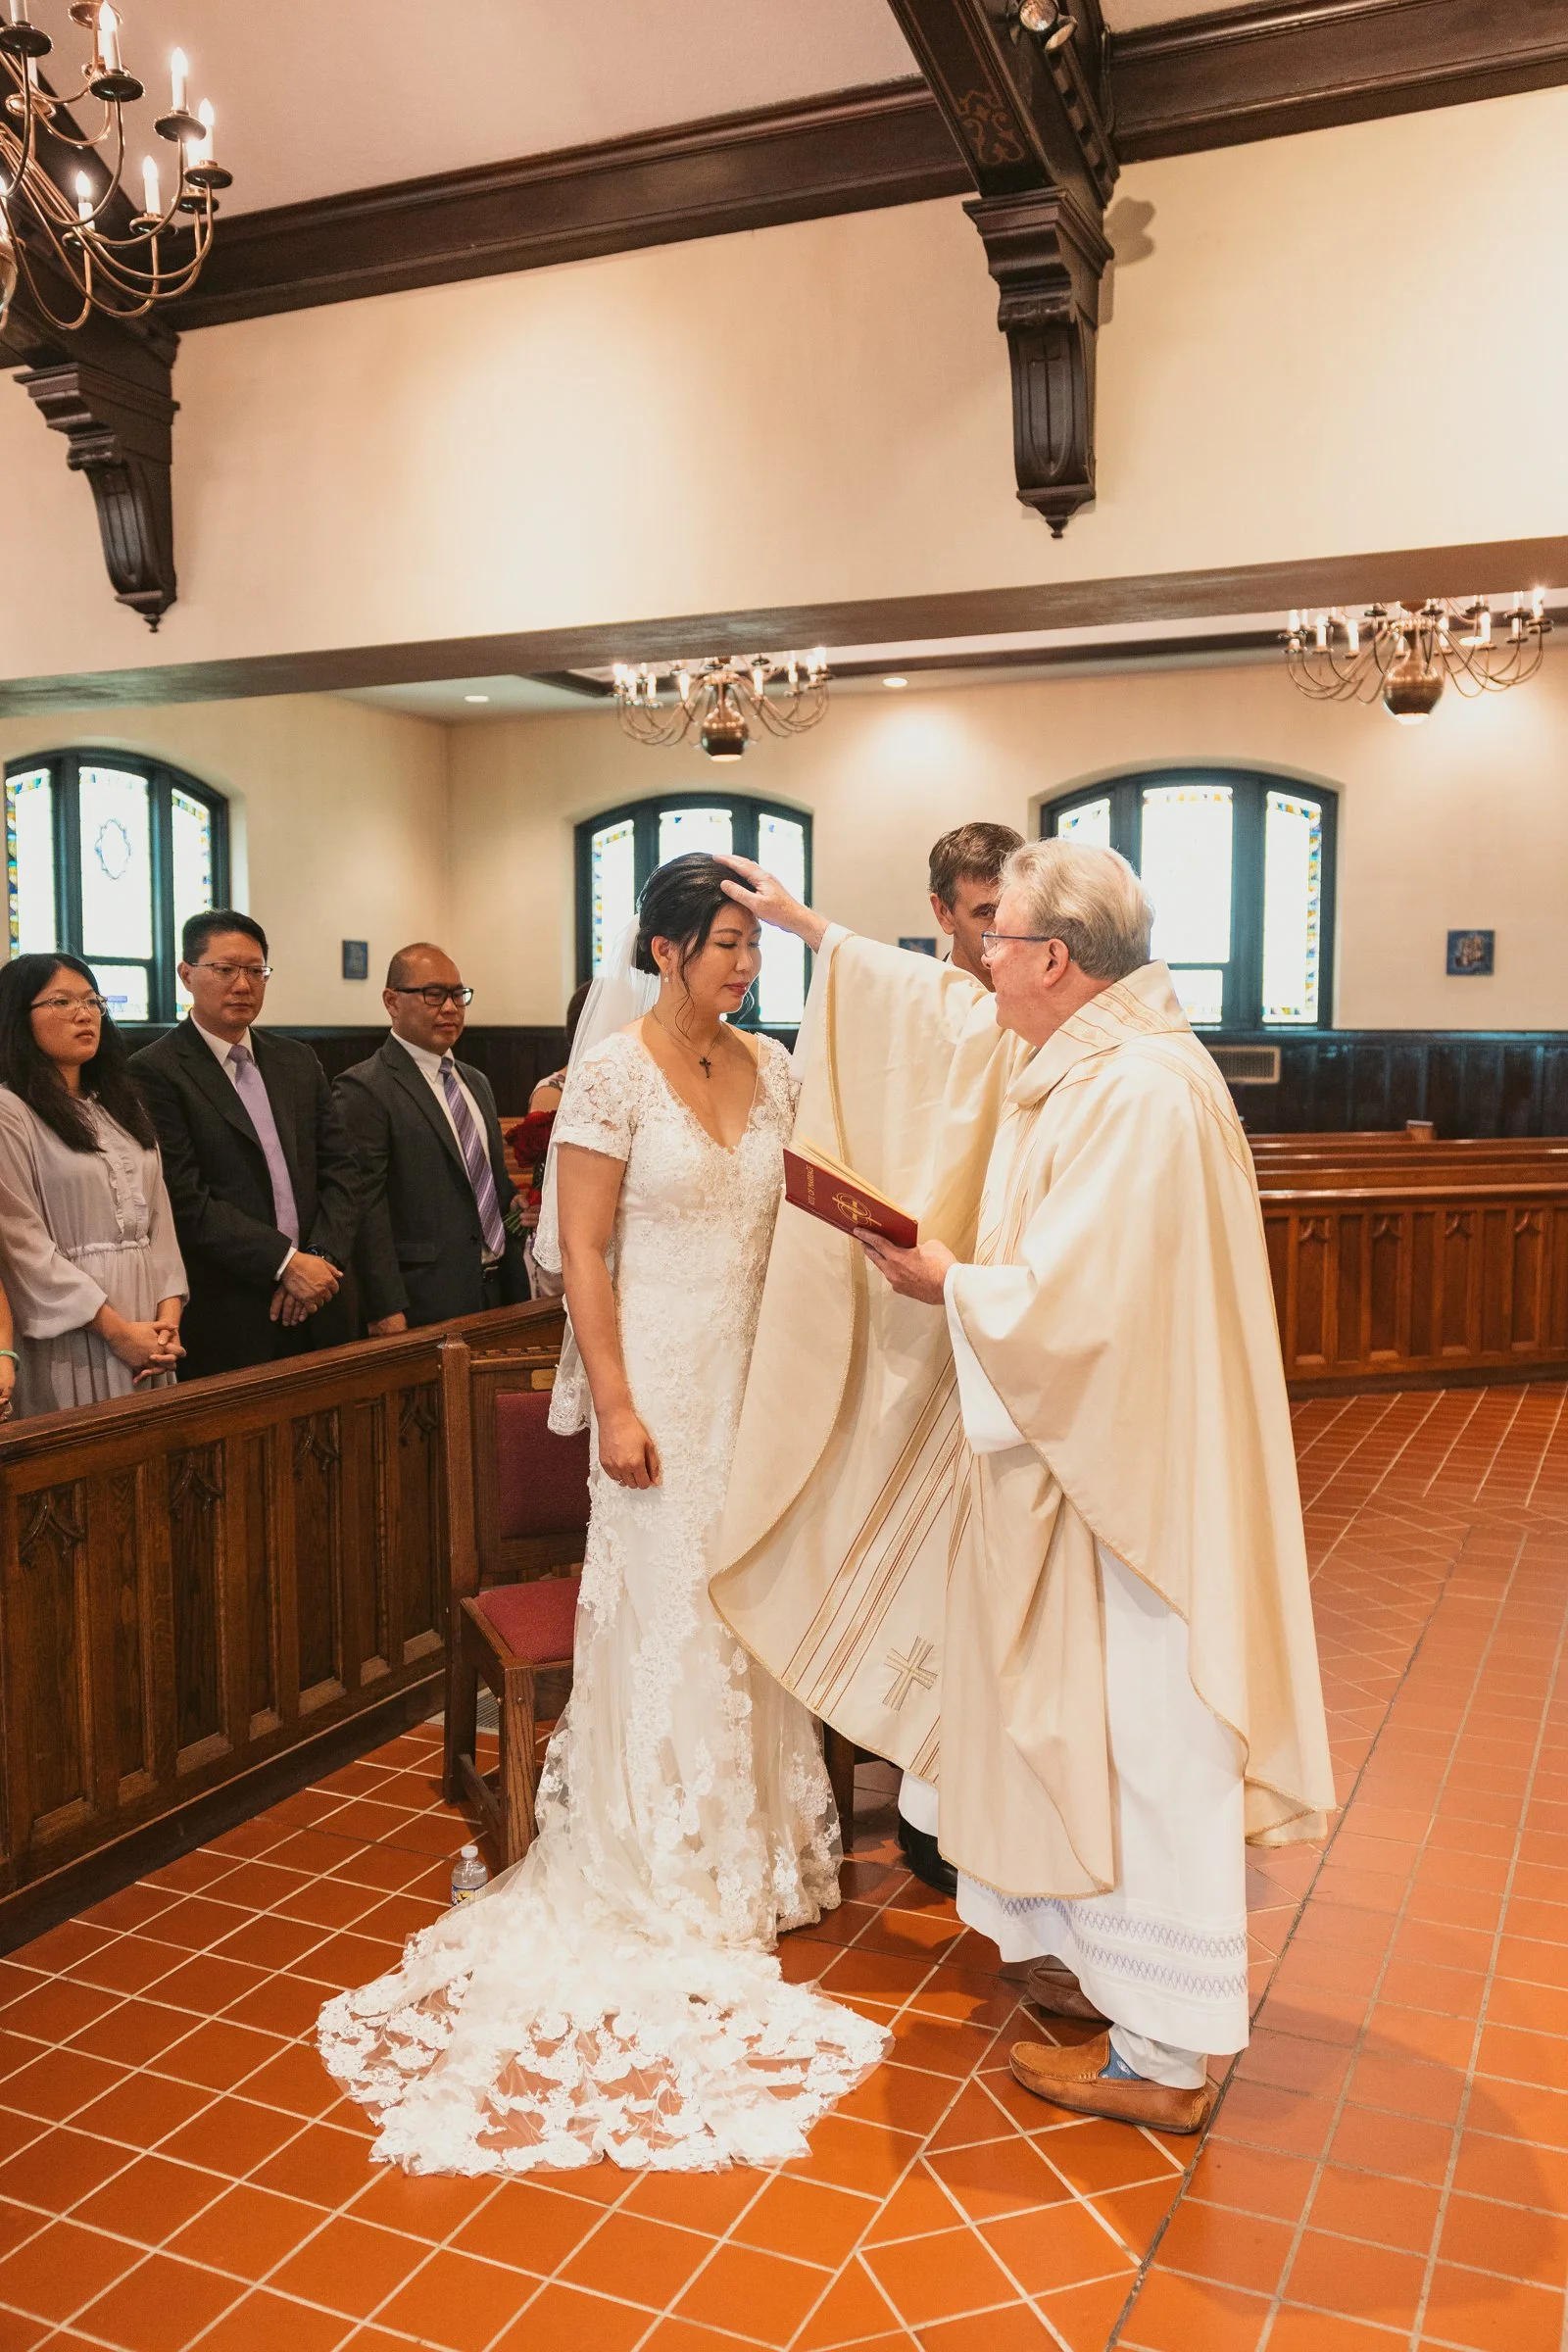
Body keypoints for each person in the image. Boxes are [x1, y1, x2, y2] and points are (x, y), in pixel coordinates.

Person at [712, 840, 1334, 2135]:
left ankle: (1163, 2056)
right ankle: (1121, 2000)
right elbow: (950, 1027)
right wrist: (823, 938)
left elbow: (1087, 1311)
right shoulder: (1102, 1059)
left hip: (1130, 1504)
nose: (981, 960)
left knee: (1142, 1752)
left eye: (998, 939)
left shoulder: (1135, 1094)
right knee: (1098, 1743)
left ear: (1053, 958)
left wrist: (952, 1285)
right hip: (1103, 1475)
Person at [318, 854, 884, 2173]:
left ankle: (759, 1856)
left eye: (754, 945)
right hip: (661, 1389)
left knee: (746, 1614)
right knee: (673, 1616)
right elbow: (578, 1252)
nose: (746, 964)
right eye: (726, 943)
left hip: (755, 1387)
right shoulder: (615, 1076)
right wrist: (616, 1405)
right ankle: (666, 1863)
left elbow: (804, 1219)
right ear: (665, 948)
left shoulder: (772, 1069)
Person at [130, 911, 360, 1380]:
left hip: (323, 1296)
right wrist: (284, 1263)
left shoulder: (297, 1060)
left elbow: (343, 1171)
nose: (243, 984)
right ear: (186, 974)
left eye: (256, 971)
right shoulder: (154, 1070)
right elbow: (185, 1198)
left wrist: (319, 1260)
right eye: (225, 969)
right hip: (233, 1307)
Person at [0, 955, 186, 1416]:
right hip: (74, 1327)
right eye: (61, 1002)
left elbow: (160, 1222)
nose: (84, 1014)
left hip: (149, 1324)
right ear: (18, 1017)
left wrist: (167, 1322)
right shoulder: (10, 1111)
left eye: (91, 1001)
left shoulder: (120, 1105)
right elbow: (22, 1245)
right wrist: (118, 1333)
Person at [335, 943, 526, 1335]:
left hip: (499, 1287)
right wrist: (384, 1306)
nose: (451, 1008)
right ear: (392, 1001)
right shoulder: (365, 1088)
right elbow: (364, 1207)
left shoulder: (475, 1081)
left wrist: (516, 1202)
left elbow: (486, 1180)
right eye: (434, 994)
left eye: (458, 994)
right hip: (422, 1298)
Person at [928, 821, 1022, 985]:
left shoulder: (1059, 996)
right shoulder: (919, 999)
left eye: (1016, 910)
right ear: (944, 913)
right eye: (986, 912)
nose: (1005, 928)